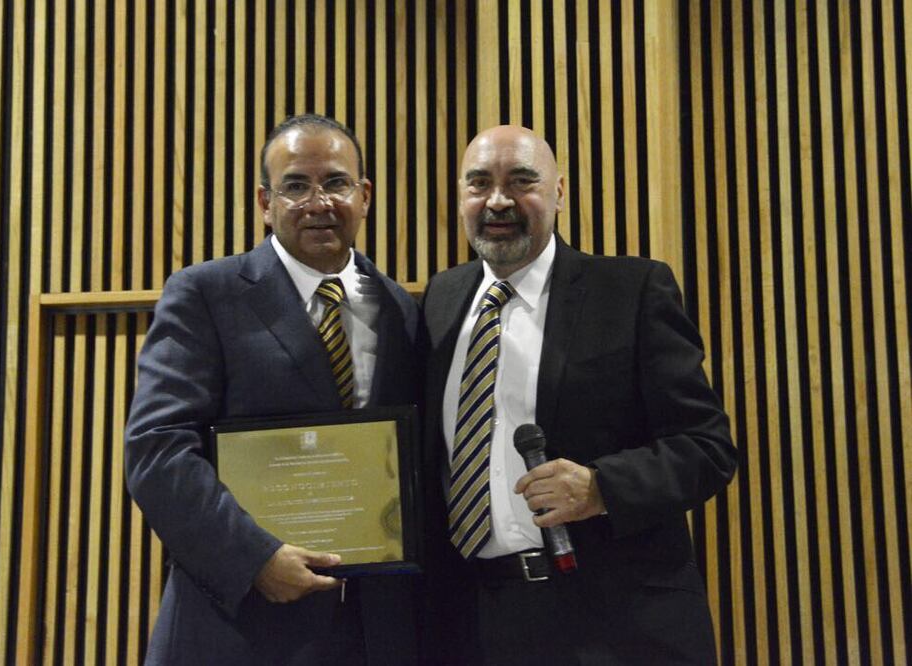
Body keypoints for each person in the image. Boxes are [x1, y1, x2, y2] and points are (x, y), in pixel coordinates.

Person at [421, 125, 736, 664]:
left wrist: (600, 486)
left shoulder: (631, 291)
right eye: (479, 184)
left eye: (522, 181)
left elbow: (706, 447)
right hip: (474, 621)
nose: (498, 200)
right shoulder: (441, 300)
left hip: (614, 624)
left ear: (559, 193)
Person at [125, 114, 421, 665]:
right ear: (265, 202)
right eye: (295, 186)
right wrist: (255, 559)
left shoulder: (399, 309)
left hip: (368, 632)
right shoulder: (206, 294)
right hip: (236, 629)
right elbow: (156, 452)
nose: (318, 202)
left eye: (335, 182)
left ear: (365, 195)